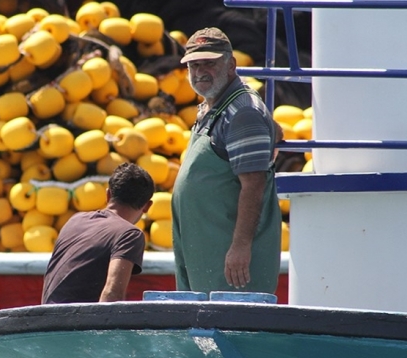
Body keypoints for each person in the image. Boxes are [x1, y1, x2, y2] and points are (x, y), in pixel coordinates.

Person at [171, 27, 282, 294]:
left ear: (231, 65)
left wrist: (240, 247)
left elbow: (253, 184)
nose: (199, 72)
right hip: (204, 252)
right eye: (194, 65)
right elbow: (272, 131)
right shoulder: (213, 105)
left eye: (209, 63)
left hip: (229, 263)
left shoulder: (242, 112)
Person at [42, 163, 155, 304]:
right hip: (78, 323)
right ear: (147, 206)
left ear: (108, 194)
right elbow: (113, 294)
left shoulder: (75, 220)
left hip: (47, 318)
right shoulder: (129, 234)